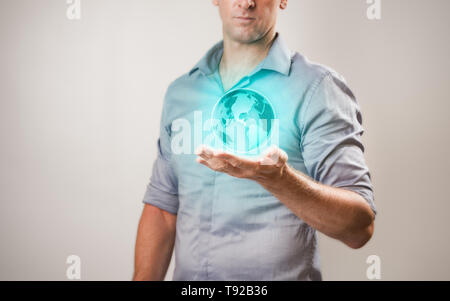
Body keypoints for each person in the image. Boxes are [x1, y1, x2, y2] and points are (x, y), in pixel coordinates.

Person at [133, 0, 377, 281]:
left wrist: (279, 179)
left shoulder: (318, 90)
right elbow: (163, 209)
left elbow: (359, 229)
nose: (246, 3)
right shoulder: (181, 93)